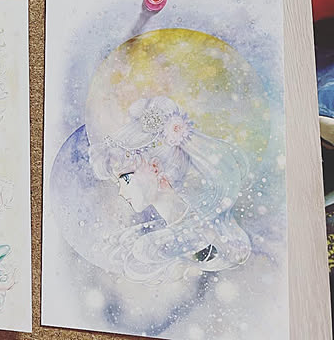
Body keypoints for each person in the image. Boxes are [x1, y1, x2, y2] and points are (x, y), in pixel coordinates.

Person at [89, 96, 252, 285]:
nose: (121, 192)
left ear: (155, 167)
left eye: (125, 179)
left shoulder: (193, 235)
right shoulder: (179, 229)